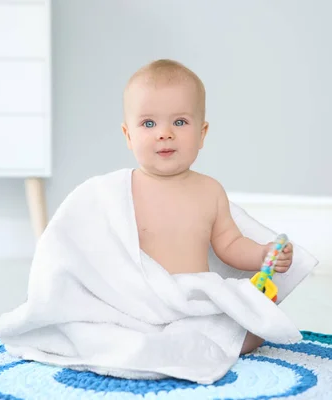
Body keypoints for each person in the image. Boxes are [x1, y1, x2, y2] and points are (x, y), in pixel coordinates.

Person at [121, 59, 294, 354]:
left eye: (179, 122)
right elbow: (98, 248)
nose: (165, 133)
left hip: (195, 301)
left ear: (202, 134)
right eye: (149, 123)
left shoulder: (209, 191)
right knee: (117, 324)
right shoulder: (120, 191)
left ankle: (211, 341)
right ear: (128, 135)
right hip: (142, 301)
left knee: (251, 325)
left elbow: (229, 244)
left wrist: (262, 255)